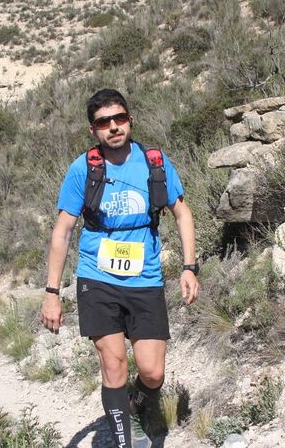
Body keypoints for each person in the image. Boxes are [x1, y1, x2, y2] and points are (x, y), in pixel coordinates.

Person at [41, 88, 199, 448]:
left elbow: (182, 213)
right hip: (97, 278)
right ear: (92, 130)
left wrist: (189, 267)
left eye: (119, 118)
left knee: (153, 372)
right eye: (103, 122)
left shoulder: (155, 162)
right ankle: (125, 440)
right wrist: (52, 292)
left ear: (130, 119)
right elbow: (63, 231)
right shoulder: (83, 169)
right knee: (113, 365)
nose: (113, 127)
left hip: (145, 277)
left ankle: (134, 407)